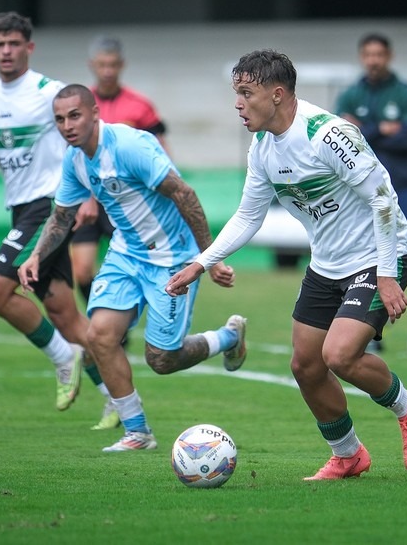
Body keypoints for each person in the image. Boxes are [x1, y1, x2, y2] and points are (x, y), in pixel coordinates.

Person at [166, 50, 407, 481]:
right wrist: (202, 262)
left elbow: (383, 197)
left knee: (340, 355)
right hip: (327, 264)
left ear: (277, 94)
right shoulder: (262, 148)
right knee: (305, 365)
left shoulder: (326, 134)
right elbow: (249, 216)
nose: (238, 103)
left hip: (380, 255)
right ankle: (347, 455)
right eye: (236, 93)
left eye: (245, 93)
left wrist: (386, 274)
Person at [18, 83, 247, 453]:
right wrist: (35, 257)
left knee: (162, 359)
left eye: (74, 115)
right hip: (127, 254)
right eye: (59, 119)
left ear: (95, 113)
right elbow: (62, 217)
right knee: (99, 336)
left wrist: (209, 257)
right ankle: (138, 433)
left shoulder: (129, 146)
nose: (67, 125)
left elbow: (184, 194)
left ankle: (228, 338)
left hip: (172, 258)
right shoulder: (74, 158)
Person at [0, 11, 109, 415]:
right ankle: (118, 401)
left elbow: (87, 141)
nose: (7, 51)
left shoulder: (52, 93)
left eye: (15, 43)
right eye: (0, 44)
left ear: (29, 48)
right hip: (21, 212)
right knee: (66, 316)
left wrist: (87, 195)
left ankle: (65, 359)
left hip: (49, 208)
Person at [336, 33, 407, 356]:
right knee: (365, 261)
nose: (373, 60)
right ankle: (371, 333)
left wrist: (366, 128)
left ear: (388, 56)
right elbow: (344, 138)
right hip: (366, 192)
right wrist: (384, 128)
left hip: (405, 187)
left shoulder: (406, 94)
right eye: (368, 54)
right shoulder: (350, 94)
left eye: (379, 54)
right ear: (361, 57)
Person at [70, 35, 170, 308]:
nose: (107, 71)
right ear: (92, 65)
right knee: (81, 271)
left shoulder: (140, 106)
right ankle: (106, 326)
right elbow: (75, 155)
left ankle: (115, 327)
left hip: (129, 201)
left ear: (121, 65)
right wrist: (84, 197)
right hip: (91, 200)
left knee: (133, 269)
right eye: (102, 65)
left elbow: (160, 149)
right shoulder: (80, 107)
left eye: (113, 65)